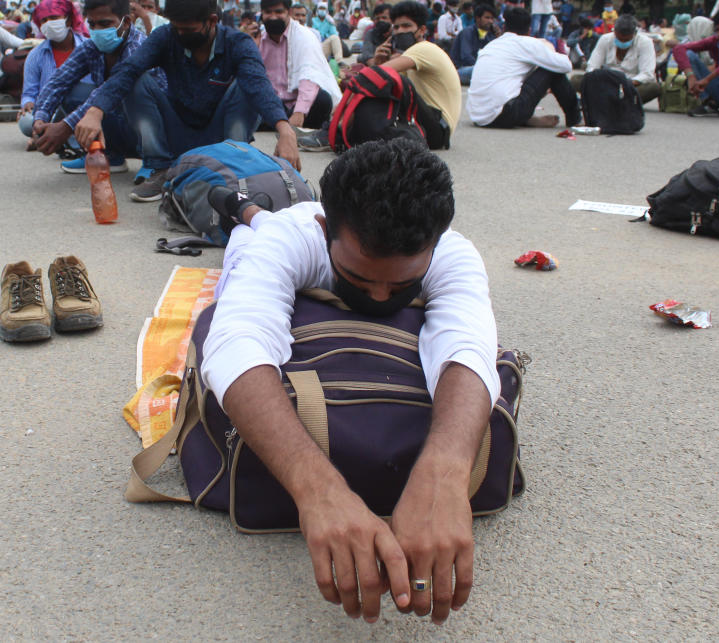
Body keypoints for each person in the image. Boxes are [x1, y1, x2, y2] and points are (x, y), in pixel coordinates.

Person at [202, 137, 498, 626]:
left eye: (402, 286)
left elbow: (468, 347)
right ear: (325, 231)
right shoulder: (296, 237)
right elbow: (237, 341)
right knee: (251, 234)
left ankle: (248, 207)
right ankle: (244, 209)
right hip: (275, 230)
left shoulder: (453, 252)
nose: (380, 296)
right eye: (359, 279)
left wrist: (444, 474)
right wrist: (317, 489)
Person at [68, 0, 301, 200]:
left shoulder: (237, 44)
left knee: (246, 84)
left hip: (223, 139)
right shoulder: (165, 37)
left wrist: (285, 130)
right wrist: (95, 110)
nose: (180, 35)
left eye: (188, 30)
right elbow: (128, 70)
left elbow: (259, 84)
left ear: (212, 21)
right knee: (135, 79)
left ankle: (234, 167)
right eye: (176, 28)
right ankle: (159, 168)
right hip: (176, 133)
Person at [301, 0, 459, 151]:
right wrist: (377, 61)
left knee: (382, 79)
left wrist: (344, 102)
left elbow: (376, 76)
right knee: (378, 83)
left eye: (406, 26)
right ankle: (339, 132)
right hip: (419, 123)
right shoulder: (405, 57)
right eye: (396, 27)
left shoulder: (425, 48)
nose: (400, 31)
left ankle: (334, 132)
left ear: (422, 30)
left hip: (438, 128)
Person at [32, 0, 153, 173]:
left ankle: (155, 162)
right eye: (92, 24)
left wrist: (66, 126)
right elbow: (58, 82)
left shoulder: (138, 48)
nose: (97, 30)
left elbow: (112, 89)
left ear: (126, 22)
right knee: (72, 91)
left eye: (105, 24)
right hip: (120, 123)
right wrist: (40, 118)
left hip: (151, 128)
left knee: (133, 89)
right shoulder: (92, 47)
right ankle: (107, 155)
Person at [466, 6, 580, 129]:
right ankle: (575, 119)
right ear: (529, 31)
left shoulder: (492, 45)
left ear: (504, 28)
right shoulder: (527, 43)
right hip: (504, 114)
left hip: (477, 116)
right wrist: (548, 47)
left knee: (518, 73)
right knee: (552, 69)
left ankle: (526, 119)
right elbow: (566, 65)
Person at [258, 0, 341, 131]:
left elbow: (309, 75)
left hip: (299, 104)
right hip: (271, 104)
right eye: (268, 12)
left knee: (322, 100)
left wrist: (300, 112)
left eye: (278, 12)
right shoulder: (259, 40)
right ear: (262, 14)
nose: (273, 17)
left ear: (288, 13)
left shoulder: (304, 36)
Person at [19, 0, 90, 141]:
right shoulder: (35, 55)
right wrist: (28, 103)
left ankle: (47, 136)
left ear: (68, 20)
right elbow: (29, 91)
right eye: (44, 21)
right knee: (26, 121)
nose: (48, 24)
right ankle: (56, 134)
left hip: (82, 106)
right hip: (48, 109)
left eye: (53, 18)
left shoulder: (88, 47)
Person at [577, 14, 661, 103]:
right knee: (576, 80)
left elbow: (647, 74)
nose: (622, 42)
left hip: (631, 85)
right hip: (605, 83)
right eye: (619, 39)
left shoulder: (645, 43)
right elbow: (592, 66)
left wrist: (626, 84)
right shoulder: (605, 39)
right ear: (614, 32)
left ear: (634, 34)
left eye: (626, 40)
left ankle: (608, 100)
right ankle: (618, 101)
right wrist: (601, 80)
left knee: (654, 87)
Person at [450, 4, 500, 85]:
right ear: (477, 18)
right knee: (481, 71)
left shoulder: (489, 35)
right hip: (461, 70)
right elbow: (466, 57)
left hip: (480, 69)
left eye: (492, 18)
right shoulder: (467, 32)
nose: (490, 21)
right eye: (487, 18)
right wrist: (483, 67)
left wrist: (498, 38)